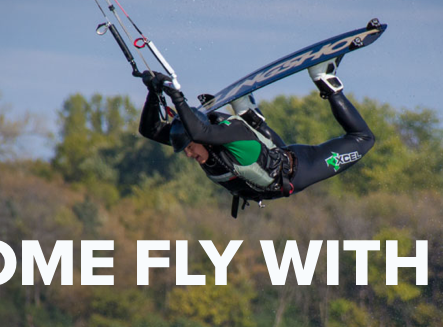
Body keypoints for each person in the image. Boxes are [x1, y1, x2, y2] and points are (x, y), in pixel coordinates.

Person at [137, 58, 375, 217]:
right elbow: (150, 130)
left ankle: (326, 81)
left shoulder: (230, 136)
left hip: (301, 167)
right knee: (271, 151)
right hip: (275, 170)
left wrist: (177, 97)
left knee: (363, 139)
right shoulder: (202, 144)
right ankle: (248, 113)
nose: (188, 154)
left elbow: (199, 132)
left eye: (189, 148)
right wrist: (153, 92)